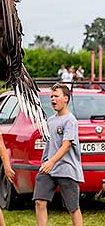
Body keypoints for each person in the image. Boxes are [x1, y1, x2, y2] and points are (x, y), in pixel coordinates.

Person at [33, 83, 84, 226]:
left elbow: (66, 145)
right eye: (51, 96)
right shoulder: (51, 120)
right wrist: (45, 162)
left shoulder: (70, 120)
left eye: (56, 96)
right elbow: (49, 145)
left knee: (73, 207)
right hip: (48, 168)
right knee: (39, 201)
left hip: (66, 168)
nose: (53, 99)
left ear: (66, 98)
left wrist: (51, 162)